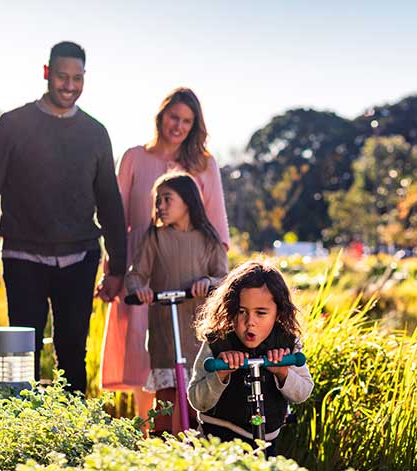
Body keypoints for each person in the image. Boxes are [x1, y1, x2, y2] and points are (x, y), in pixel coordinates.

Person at [0, 41, 126, 394]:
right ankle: (19, 438)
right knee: (22, 355)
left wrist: (118, 269)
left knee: (72, 354)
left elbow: (110, 203)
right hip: (23, 255)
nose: (70, 86)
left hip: (80, 257)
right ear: (46, 73)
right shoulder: (11, 125)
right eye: (62, 77)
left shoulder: (95, 133)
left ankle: (74, 441)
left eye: (78, 78)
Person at [100, 87, 230, 428]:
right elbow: (117, 218)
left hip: (189, 279)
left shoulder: (204, 164)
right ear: (161, 116)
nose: (179, 126)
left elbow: (217, 224)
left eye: (188, 121)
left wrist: (215, 280)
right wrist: (115, 271)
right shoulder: (133, 157)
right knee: (145, 352)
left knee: (185, 353)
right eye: (174, 117)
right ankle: (147, 432)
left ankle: (187, 432)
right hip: (141, 270)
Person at [124, 173, 228, 435]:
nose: (160, 205)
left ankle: (195, 445)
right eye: (158, 200)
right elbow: (136, 275)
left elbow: (224, 280)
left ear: (188, 201)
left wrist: (208, 282)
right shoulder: (155, 238)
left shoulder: (209, 240)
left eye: (167, 199)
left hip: (197, 332)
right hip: (165, 331)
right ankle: (161, 446)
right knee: (167, 397)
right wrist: (140, 290)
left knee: (196, 394)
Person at [188, 259, 313, 455]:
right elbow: (197, 399)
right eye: (241, 312)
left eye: (261, 313)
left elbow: (303, 392)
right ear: (230, 308)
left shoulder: (286, 343)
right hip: (218, 440)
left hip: (266, 442)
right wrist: (220, 373)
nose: (249, 322)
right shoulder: (218, 342)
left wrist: (282, 372)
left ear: (278, 313)